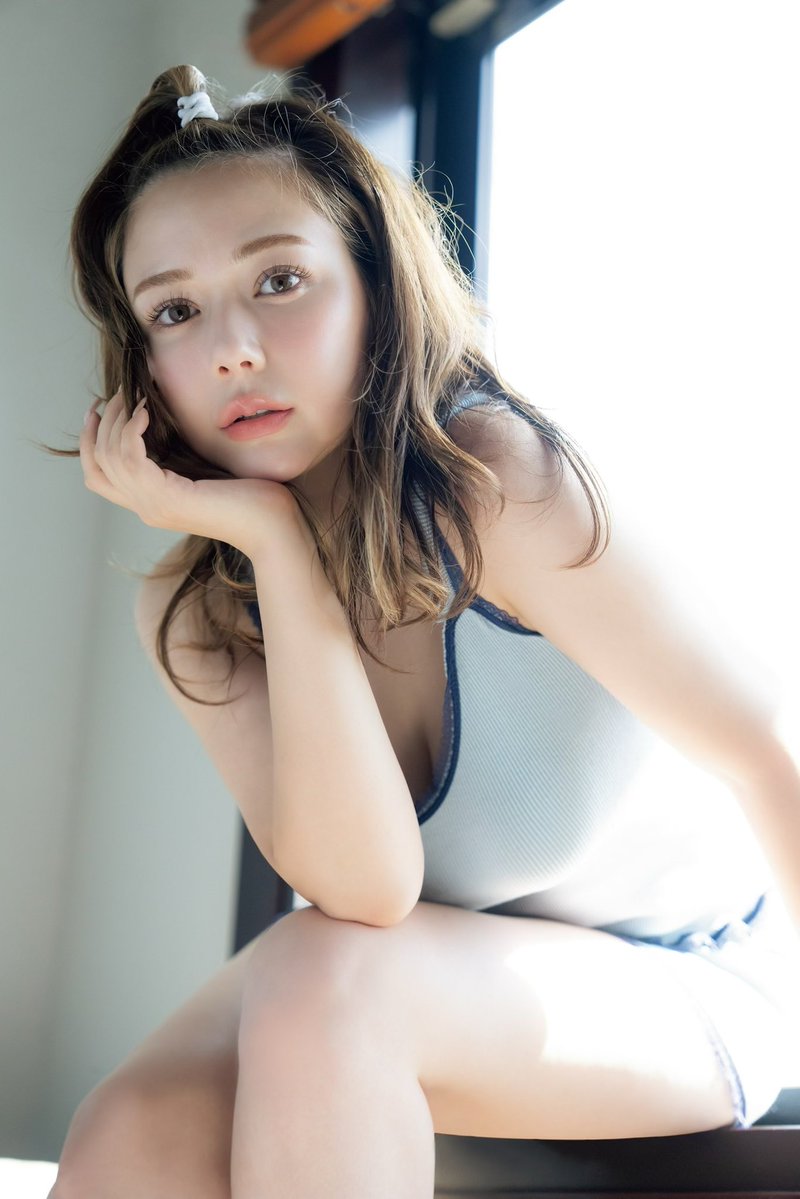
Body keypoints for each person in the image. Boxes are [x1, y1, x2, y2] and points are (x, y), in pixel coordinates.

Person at [47, 63, 800, 1199]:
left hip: (686, 976)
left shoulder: (495, 481)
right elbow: (367, 887)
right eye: (174, 310)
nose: (233, 346)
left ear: (375, 286)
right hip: (411, 991)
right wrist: (275, 546)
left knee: (320, 979)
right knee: (130, 1126)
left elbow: (768, 750)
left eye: (280, 279)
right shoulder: (200, 610)